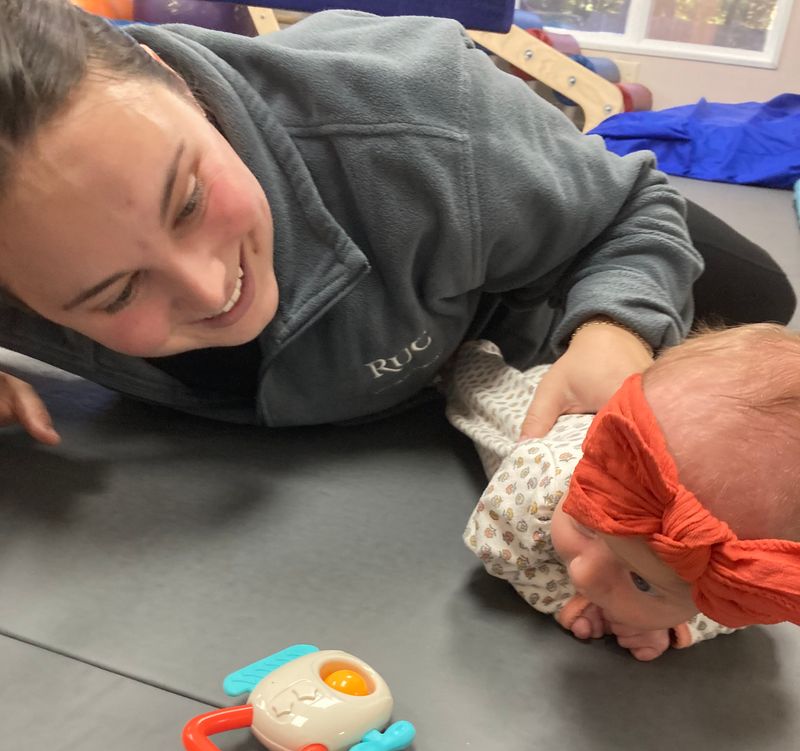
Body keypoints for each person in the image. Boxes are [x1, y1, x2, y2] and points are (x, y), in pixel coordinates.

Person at [0, 0, 795, 447]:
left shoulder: (423, 116)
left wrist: (616, 330)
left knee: (757, 296)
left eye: (189, 201)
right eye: (112, 293)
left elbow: (632, 213)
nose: (211, 288)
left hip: (491, 220)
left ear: (173, 77)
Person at [445, 324, 800, 661]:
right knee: (475, 387)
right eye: (586, 526)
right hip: (549, 419)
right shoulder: (538, 479)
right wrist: (563, 599)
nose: (583, 573)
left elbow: (723, 614)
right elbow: (503, 554)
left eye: (641, 581)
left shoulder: (753, 573)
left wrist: (680, 626)